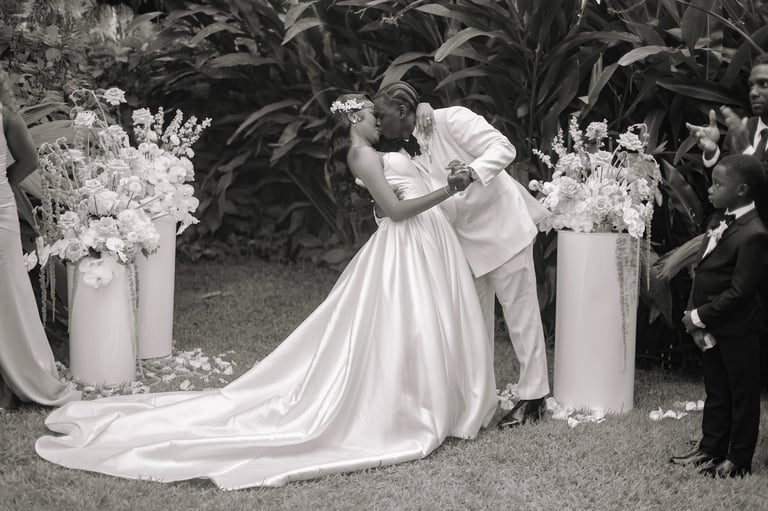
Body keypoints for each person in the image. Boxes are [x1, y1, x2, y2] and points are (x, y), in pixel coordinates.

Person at [35, 94, 498, 489]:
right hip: (408, 242)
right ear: (356, 119)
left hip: (428, 243)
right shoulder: (361, 155)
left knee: (426, 323)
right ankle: (410, 408)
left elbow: (404, 184)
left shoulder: (384, 150)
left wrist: (440, 169)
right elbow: (395, 210)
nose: (381, 122)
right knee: (405, 323)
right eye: (374, 116)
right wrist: (447, 191)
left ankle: (435, 399)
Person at [372, 81, 551, 428]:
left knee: (521, 315)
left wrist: (472, 171)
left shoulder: (451, 119)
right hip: (461, 244)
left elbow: (504, 147)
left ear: (404, 111)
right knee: (473, 323)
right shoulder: (403, 152)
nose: (379, 123)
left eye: (382, 115)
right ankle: (480, 399)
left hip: (502, 228)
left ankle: (534, 397)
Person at [671, 154, 768, 478]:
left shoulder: (754, 234)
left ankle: (738, 460)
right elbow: (704, 273)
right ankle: (710, 449)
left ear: (741, 190)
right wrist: (693, 313)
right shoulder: (717, 221)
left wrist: (698, 317)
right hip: (711, 323)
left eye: (717, 184)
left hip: (739, 329)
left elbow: (741, 292)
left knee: (742, 395)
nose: (710, 190)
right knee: (716, 389)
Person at [0, 69, 81, 411]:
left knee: (9, 299)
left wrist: (3, 185)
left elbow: (28, 160)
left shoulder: (5, 117)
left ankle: (11, 382)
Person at [686, 53, 768, 388]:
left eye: (764, 85)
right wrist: (713, 152)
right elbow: (735, 184)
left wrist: (746, 149)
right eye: (751, 85)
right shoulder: (745, 126)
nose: (754, 92)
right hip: (739, 245)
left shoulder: (744, 134)